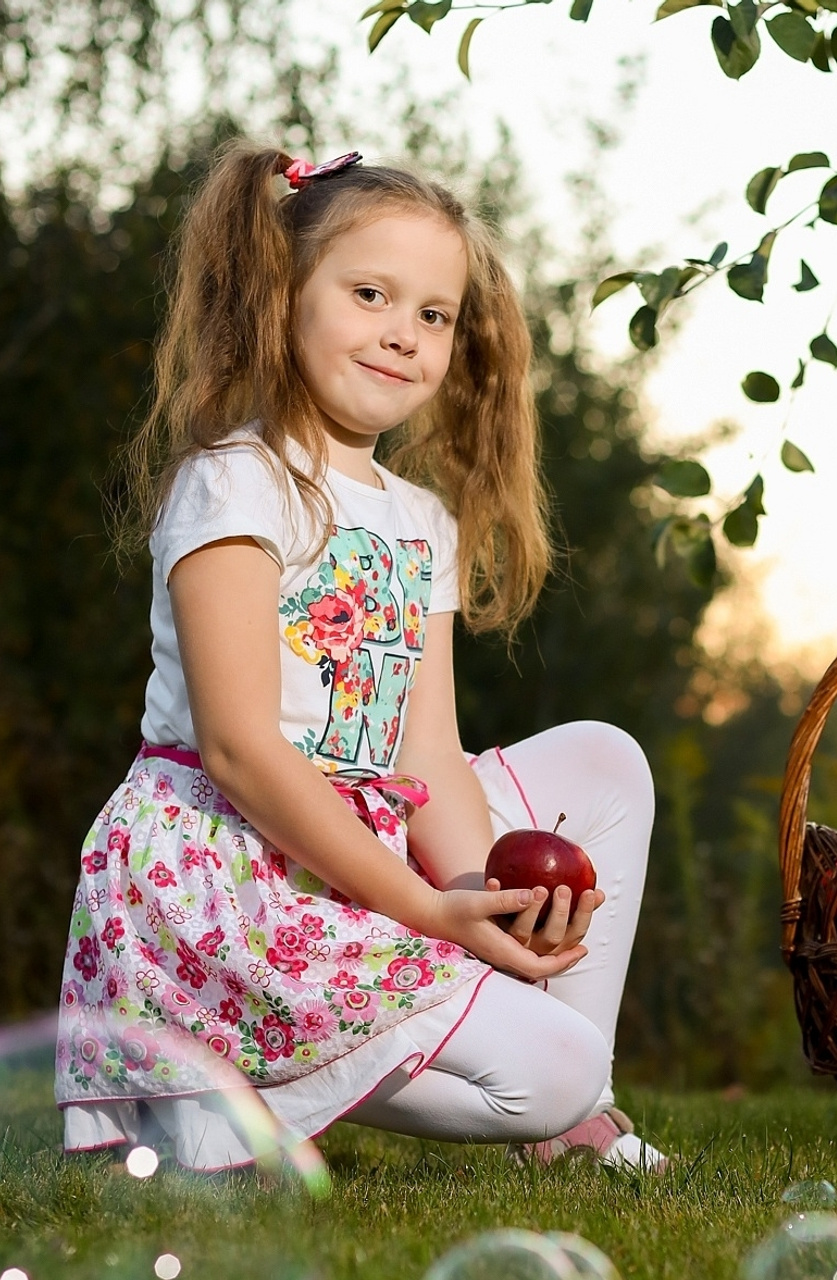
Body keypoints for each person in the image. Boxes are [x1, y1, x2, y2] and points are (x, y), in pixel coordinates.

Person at [54, 141, 665, 1174]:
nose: (404, 335)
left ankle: (570, 1113)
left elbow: (425, 745)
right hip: (234, 873)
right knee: (546, 1066)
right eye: (370, 293)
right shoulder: (235, 482)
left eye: (432, 313)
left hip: (365, 830)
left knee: (606, 762)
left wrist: (488, 905)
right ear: (282, 294)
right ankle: (218, 1082)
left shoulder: (418, 519)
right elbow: (241, 747)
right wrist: (428, 908)